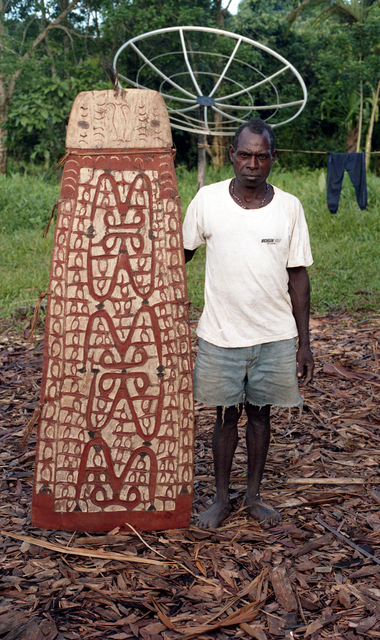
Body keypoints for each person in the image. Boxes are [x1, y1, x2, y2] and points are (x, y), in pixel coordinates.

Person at [182, 118, 314, 530]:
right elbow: (176, 257)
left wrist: (304, 344)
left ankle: (253, 496)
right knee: (224, 417)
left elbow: (298, 276)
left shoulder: (289, 207)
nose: (252, 163)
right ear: (232, 155)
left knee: (260, 416)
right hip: (221, 334)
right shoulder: (207, 200)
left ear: (273, 159)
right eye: (245, 154)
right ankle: (221, 499)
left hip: (273, 335)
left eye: (261, 156)